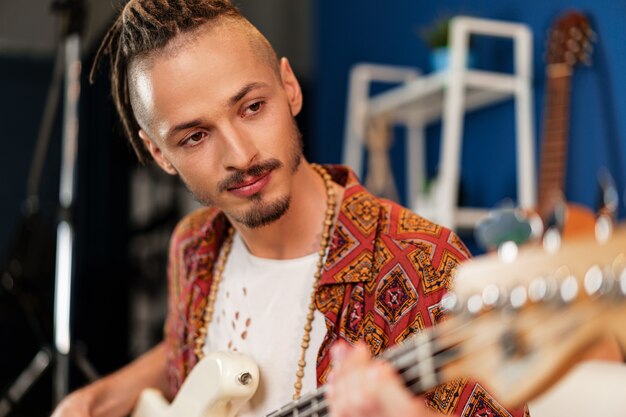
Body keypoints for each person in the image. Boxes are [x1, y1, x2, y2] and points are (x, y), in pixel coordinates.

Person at [52, 1, 528, 416]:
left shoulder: (423, 265)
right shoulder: (193, 248)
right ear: (160, 155)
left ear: (290, 87)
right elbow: (190, 348)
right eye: (195, 136)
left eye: (252, 107)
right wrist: (102, 396)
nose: (240, 156)